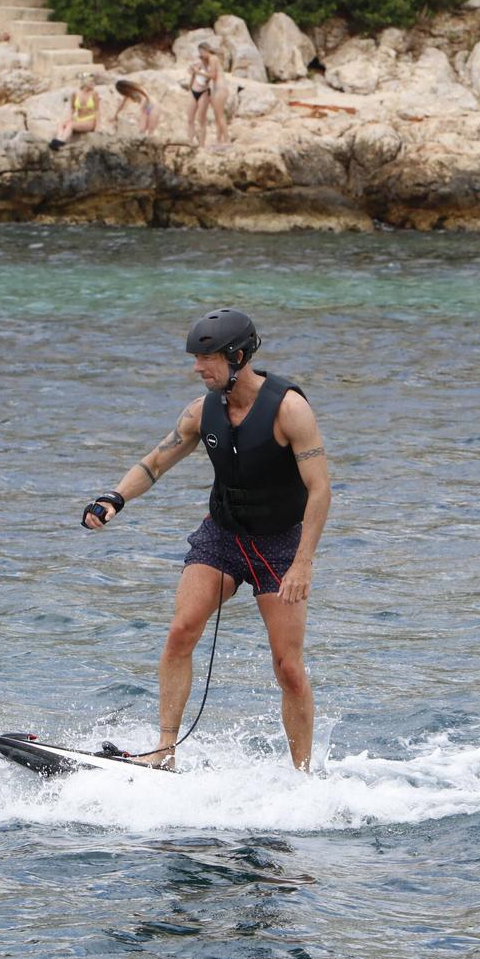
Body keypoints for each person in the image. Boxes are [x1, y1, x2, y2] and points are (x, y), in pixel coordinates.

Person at [80, 309, 331, 771]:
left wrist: (304, 562)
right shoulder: (202, 410)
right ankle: (164, 749)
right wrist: (114, 497)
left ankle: (303, 777)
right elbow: (155, 462)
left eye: (207, 359)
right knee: (180, 632)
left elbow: (320, 488)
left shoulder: (289, 410)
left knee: (288, 668)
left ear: (237, 357)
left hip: (279, 548)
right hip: (222, 537)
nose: (198, 368)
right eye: (196, 359)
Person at [184, 42, 228, 148]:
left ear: (205, 51)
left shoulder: (212, 60)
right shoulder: (204, 63)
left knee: (216, 117)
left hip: (213, 90)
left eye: (201, 53)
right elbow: (194, 76)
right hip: (204, 90)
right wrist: (193, 75)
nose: (201, 55)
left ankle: (226, 141)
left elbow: (212, 76)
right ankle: (219, 140)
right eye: (200, 54)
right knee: (216, 116)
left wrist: (198, 72)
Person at [51, 73, 102, 148]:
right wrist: (69, 117)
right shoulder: (75, 93)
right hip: (78, 119)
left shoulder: (94, 93)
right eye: (91, 81)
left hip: (90, 120)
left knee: (70, 125)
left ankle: (62, 141)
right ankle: (58, 138)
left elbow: (97, 110)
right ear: (84, 82)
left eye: (94, 82)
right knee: (62, 123)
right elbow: (72, 108)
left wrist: (98, 126)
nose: (93, 83)